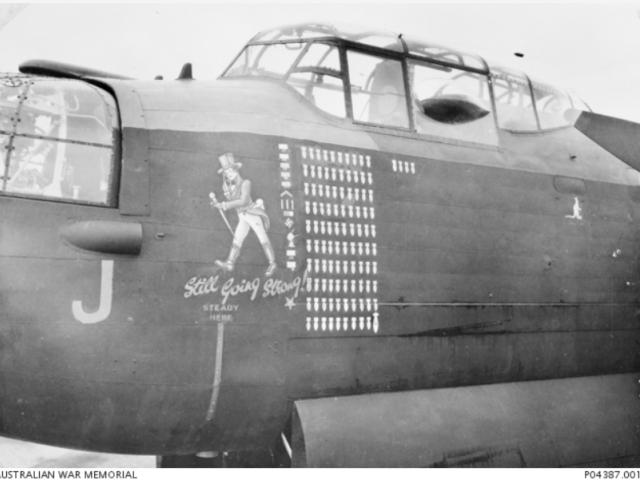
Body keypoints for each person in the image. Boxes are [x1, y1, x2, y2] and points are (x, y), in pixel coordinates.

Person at [211, 153, 276, 276]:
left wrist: (224, 205)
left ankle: (272, 263)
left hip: (252, 214)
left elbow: (243, 201)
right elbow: (233, 199)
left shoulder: (246, 183)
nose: (228, 174)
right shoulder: (232, 187)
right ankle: (230, 262)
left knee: (263, 240)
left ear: (235, 170)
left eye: (230, 171)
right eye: (226, 172)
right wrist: (225, 193)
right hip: (243, 217)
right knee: (237, 240)